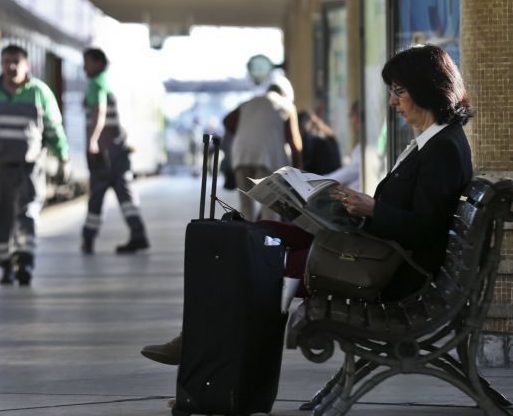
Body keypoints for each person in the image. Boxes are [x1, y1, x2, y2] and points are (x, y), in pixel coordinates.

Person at [141, 45, 473, 365]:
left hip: (392, 270)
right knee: (256, 233)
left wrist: (371, 209)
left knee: (260, 261)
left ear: (425, 88)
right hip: (376, 249)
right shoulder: (430, 142)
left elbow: (426, 229)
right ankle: (204, 355)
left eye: (399, 91)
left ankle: (204, 357)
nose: (392, 101)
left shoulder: (441, 148)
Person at [0, 44, 70, 286]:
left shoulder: (40, 93)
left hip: (28, 167)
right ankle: (5, 262)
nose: (11, 66)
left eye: (16, 61)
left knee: (27, 212)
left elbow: (54, 128)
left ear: (27, 64)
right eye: (6, 61)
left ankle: (25, 260)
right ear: (1, 64)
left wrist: (63, 156)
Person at [79, 48, 149, 255]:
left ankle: (88, 239)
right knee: (126, 196)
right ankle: (139, 234)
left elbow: (98, 110)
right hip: (120, 150)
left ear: (98, 63)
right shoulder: (112, 82)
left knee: (97, 196)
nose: (84, 67)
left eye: (87, 62)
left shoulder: (96, 83)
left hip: (104, 153)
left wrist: (93, 140)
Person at [223, 76, 304, 221]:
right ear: (286, 94)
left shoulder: (249, 102)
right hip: (266, 158)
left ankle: (247, 239)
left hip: (241, 156)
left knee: (246, 208)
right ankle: (267, 242)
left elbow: (227, 120)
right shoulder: (286, 105)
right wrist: (298, 172)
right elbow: (295, 142)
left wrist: (246, 132)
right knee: (271, 207)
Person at [325, 101, 361, 189]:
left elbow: (351, 172)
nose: (351, 121)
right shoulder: (362, 144)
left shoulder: (366, 145)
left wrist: (321, 181)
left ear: (357, 116)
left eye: (351, 116)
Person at [298, 111, 342, 175]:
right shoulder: (329, 135)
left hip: (322, 178)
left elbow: (306, 166)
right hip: (335, 177)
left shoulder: (311, 139)